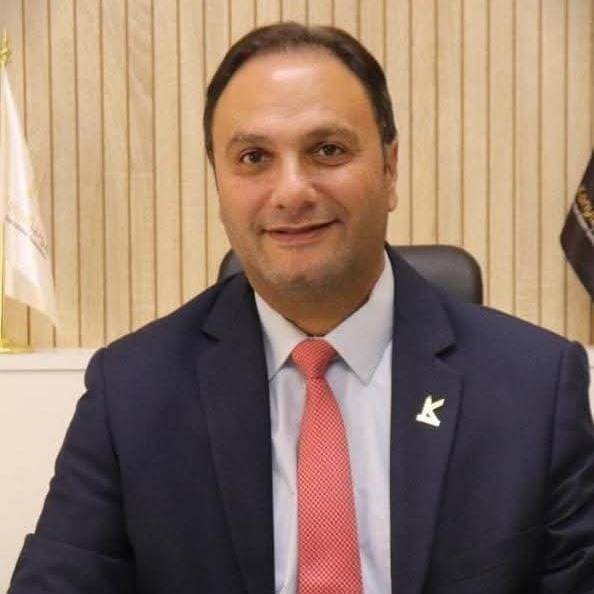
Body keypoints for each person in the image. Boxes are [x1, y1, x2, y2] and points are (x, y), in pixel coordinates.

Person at [8, 22, 594, 594]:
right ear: (219, 186)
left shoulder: (536, 388)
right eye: (254, 158)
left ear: (389, 169)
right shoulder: (131, 393)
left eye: (327, 150)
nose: (291, 190)